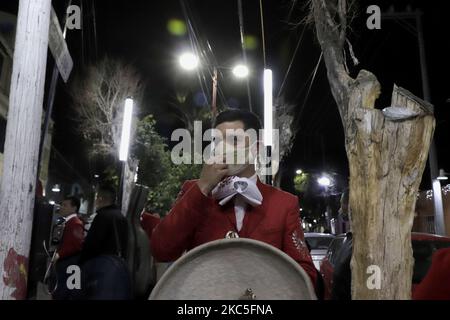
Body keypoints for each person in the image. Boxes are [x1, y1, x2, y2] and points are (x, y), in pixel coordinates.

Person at [151, 109, 317, 288]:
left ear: (256, 147)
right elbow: (162, 249)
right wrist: (203, 187)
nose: (223, 148)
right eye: (217, 141)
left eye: (233, 140)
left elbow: (305, 275)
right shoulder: (195, 192)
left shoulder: (283, 203)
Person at [78, 185, 131, 299]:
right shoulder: (121, 217)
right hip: (116, 267)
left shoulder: (102, 216)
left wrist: (81, 263)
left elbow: (92, 245)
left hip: (101, 268)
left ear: (100, 199)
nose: (96, 200)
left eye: (97, 197)